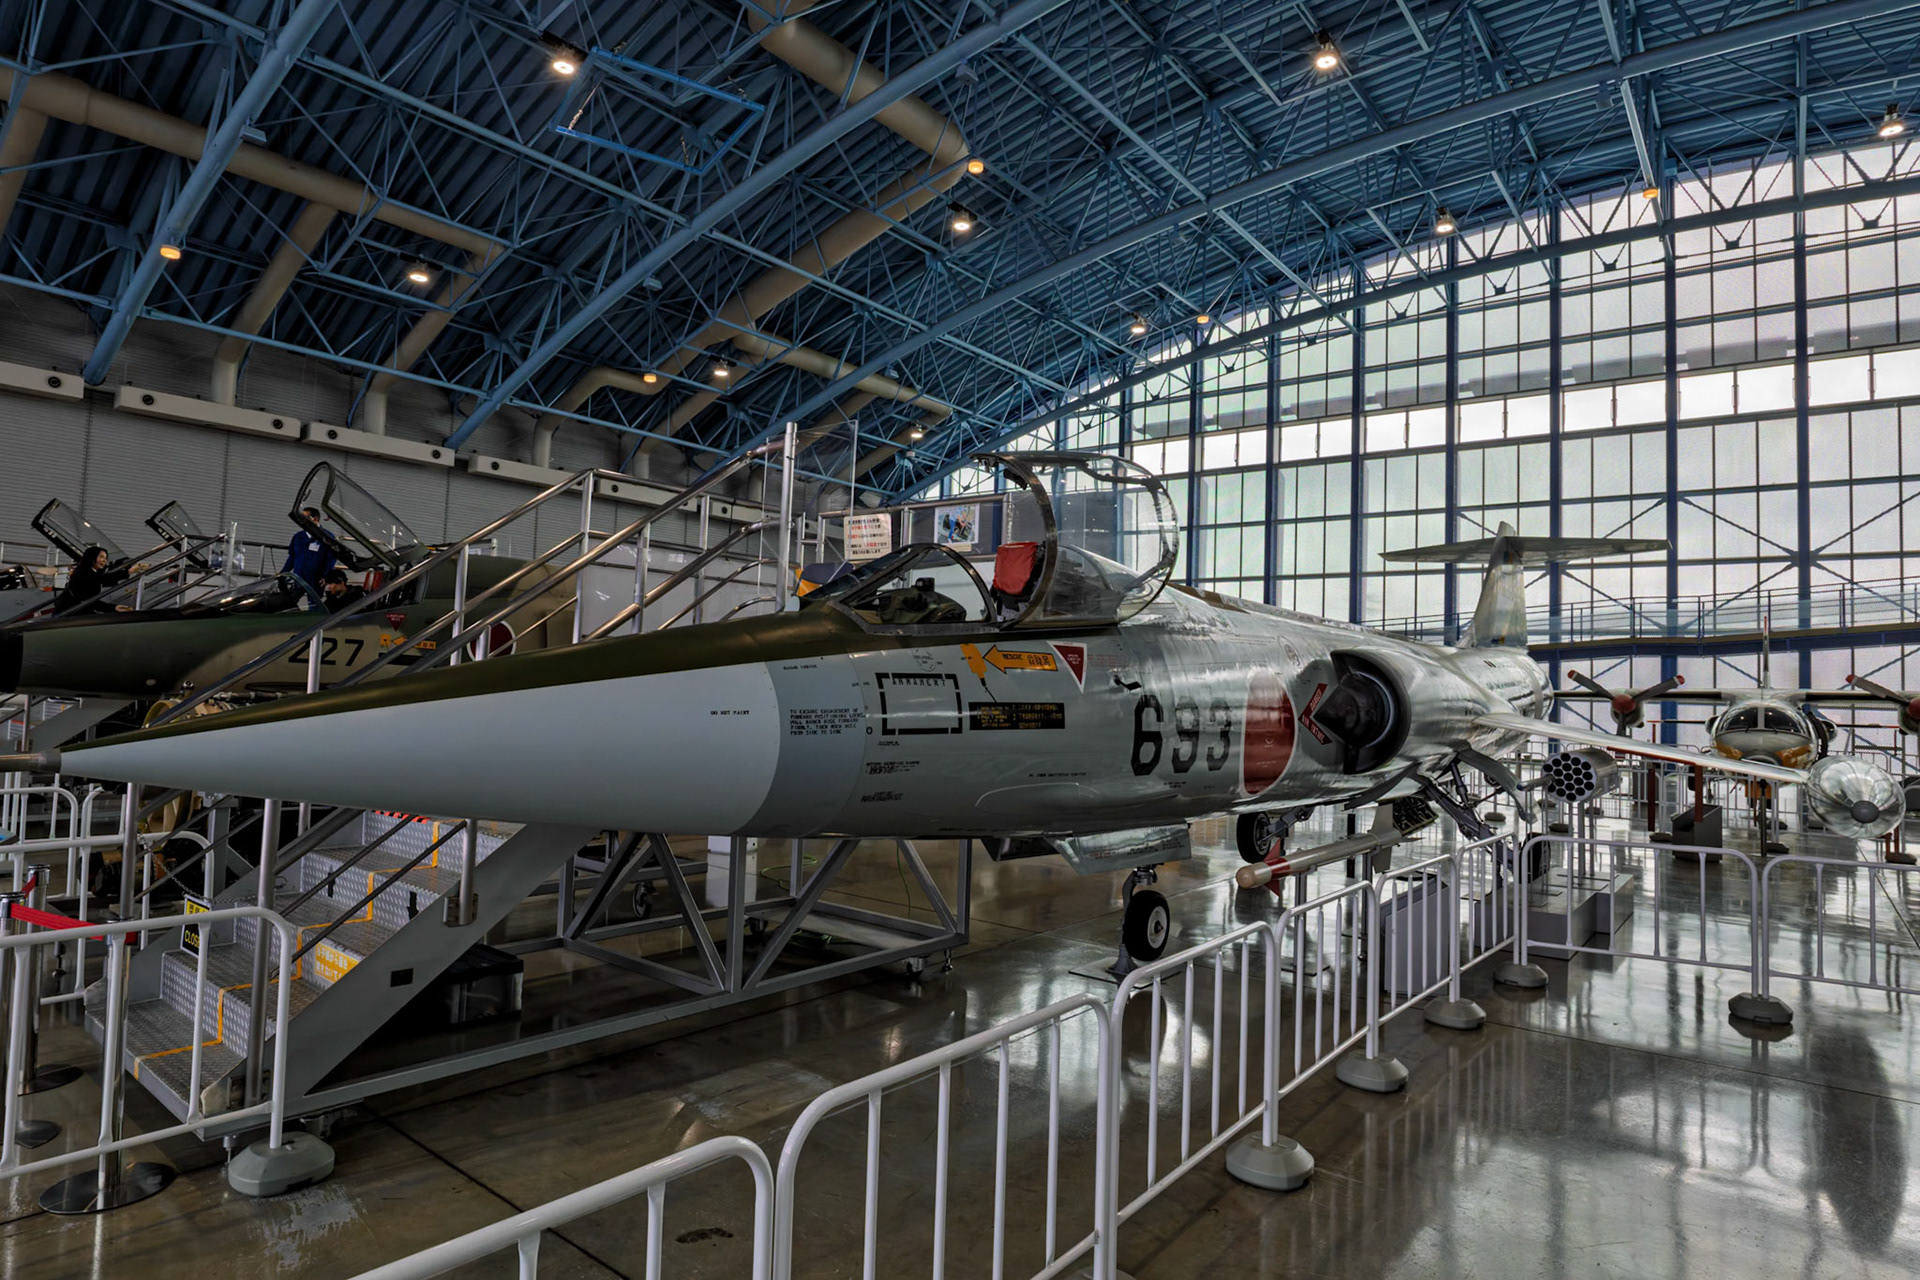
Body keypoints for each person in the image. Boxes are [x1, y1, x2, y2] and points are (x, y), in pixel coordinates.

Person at [54, 545, 130, 613]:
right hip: (70, 614)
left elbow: (106, 577)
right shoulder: (83, 575)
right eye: (101, 557)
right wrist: (114, 608)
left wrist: (129, 572)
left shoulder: (91, 572)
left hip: (76, 611)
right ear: (92, 558)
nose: (105, 560)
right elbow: (88, 601)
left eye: (106, 558)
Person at [282, 507, 336, 594]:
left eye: (304, 518)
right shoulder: (298, 537)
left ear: (314, 519)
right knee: (292, 601)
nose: (301, 521)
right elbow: (292, 557)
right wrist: (284, 573)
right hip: (299, 576)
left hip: (317, 578)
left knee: (314, 604)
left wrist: (327, 577)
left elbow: (331, 559)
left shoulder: (327, 537)